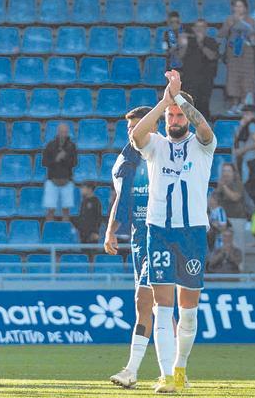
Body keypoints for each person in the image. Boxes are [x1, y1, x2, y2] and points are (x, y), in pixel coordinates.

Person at [130, 70, 216, 393]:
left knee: (188, 312)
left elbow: (205, 128)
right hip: (159, 231)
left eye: (179, 114)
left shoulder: (202, 145)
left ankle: (180, 367)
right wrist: (164, 101)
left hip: (192, 233)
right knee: (162, 309)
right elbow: (136, 136)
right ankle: (167, 376)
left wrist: (179, 97)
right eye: (171, 114)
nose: (175, 118)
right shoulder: (156, 146)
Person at [105, 106, 158, 389]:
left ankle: (134, 369)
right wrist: (111, 229)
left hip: (162, 236)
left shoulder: (163, 152)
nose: (131, 132)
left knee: (147, 302)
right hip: (141, 237)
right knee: (157, 305)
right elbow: (122, 197)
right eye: (129, 128)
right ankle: (173, 370)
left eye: (137, 126)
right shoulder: (127, 159)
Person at [218, 0, 255, 114]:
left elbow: (254, 38)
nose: (238, 8)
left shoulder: (251, 21)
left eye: (240, 6)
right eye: (236, 6)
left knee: (246, 79)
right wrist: (228, 26)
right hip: (233, 54)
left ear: (245, 8)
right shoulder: (229, 19)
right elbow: (221, 34)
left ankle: (243, 103)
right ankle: (234, 104)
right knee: (233, 79)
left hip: (247, 54)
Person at [178, 20, 219, 122]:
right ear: (194, 29)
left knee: (203, 105)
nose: (199, 29)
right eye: (197, 27)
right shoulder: (188, 41)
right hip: (189, 78)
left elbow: (212, 56)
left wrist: (200, 43)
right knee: (189, 104)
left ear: (206, 29)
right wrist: (183, 44)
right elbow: (179, 56)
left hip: (205, 79)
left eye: (202, 27)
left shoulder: (211, 41)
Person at [233, 105, 255, 210]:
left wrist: (241, 151)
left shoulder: (252, 124)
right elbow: (237, 139)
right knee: (250, 187)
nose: (244, 116)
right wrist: (241, 126)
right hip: (249, 161)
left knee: (253, 188)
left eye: (246, 113)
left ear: (251, 114)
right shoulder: (246, 125)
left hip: (253, 161)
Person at [42, 123, 77, 221]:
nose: (64, 134)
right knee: (50, 210)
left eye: (65, 132)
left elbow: (75, 163)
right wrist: (56, 159)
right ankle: (49, 231)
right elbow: (44, 162)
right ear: (58, 132)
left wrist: (65, 158)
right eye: (62, 132)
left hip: (67, 180)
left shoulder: (71, 146)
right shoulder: (50, 145)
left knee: (66, 211)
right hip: (52, 181)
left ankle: (65, 232)